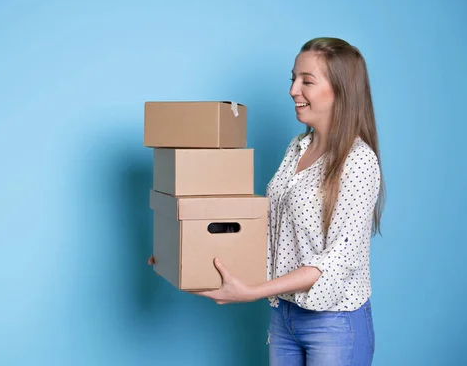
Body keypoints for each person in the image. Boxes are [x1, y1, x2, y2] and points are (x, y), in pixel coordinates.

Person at [149, 37, 385, 365]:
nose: (293, 90)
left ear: (341, 90)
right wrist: (182, 251)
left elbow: (339, 260)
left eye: (307, 81)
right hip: (284, 315)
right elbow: (269, 233)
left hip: (333, 323)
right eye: (293, 79)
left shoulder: (358, 161)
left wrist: (254, 291)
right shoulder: (297, 148)